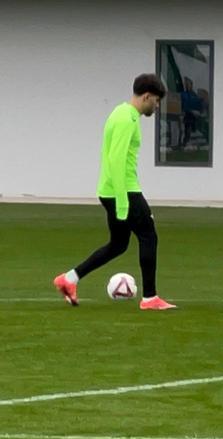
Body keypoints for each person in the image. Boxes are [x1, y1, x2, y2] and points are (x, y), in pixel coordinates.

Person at [54, 74, 176, 311]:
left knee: (118, 244)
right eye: (156, 101)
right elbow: (116, 160)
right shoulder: (126, 119)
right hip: (124, 191)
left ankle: (69, 279)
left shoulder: (122, 113)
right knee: (148, 236)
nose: (157, 106)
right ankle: (150, 298)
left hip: (112, 190)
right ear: (147, 96)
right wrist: (122, 202)